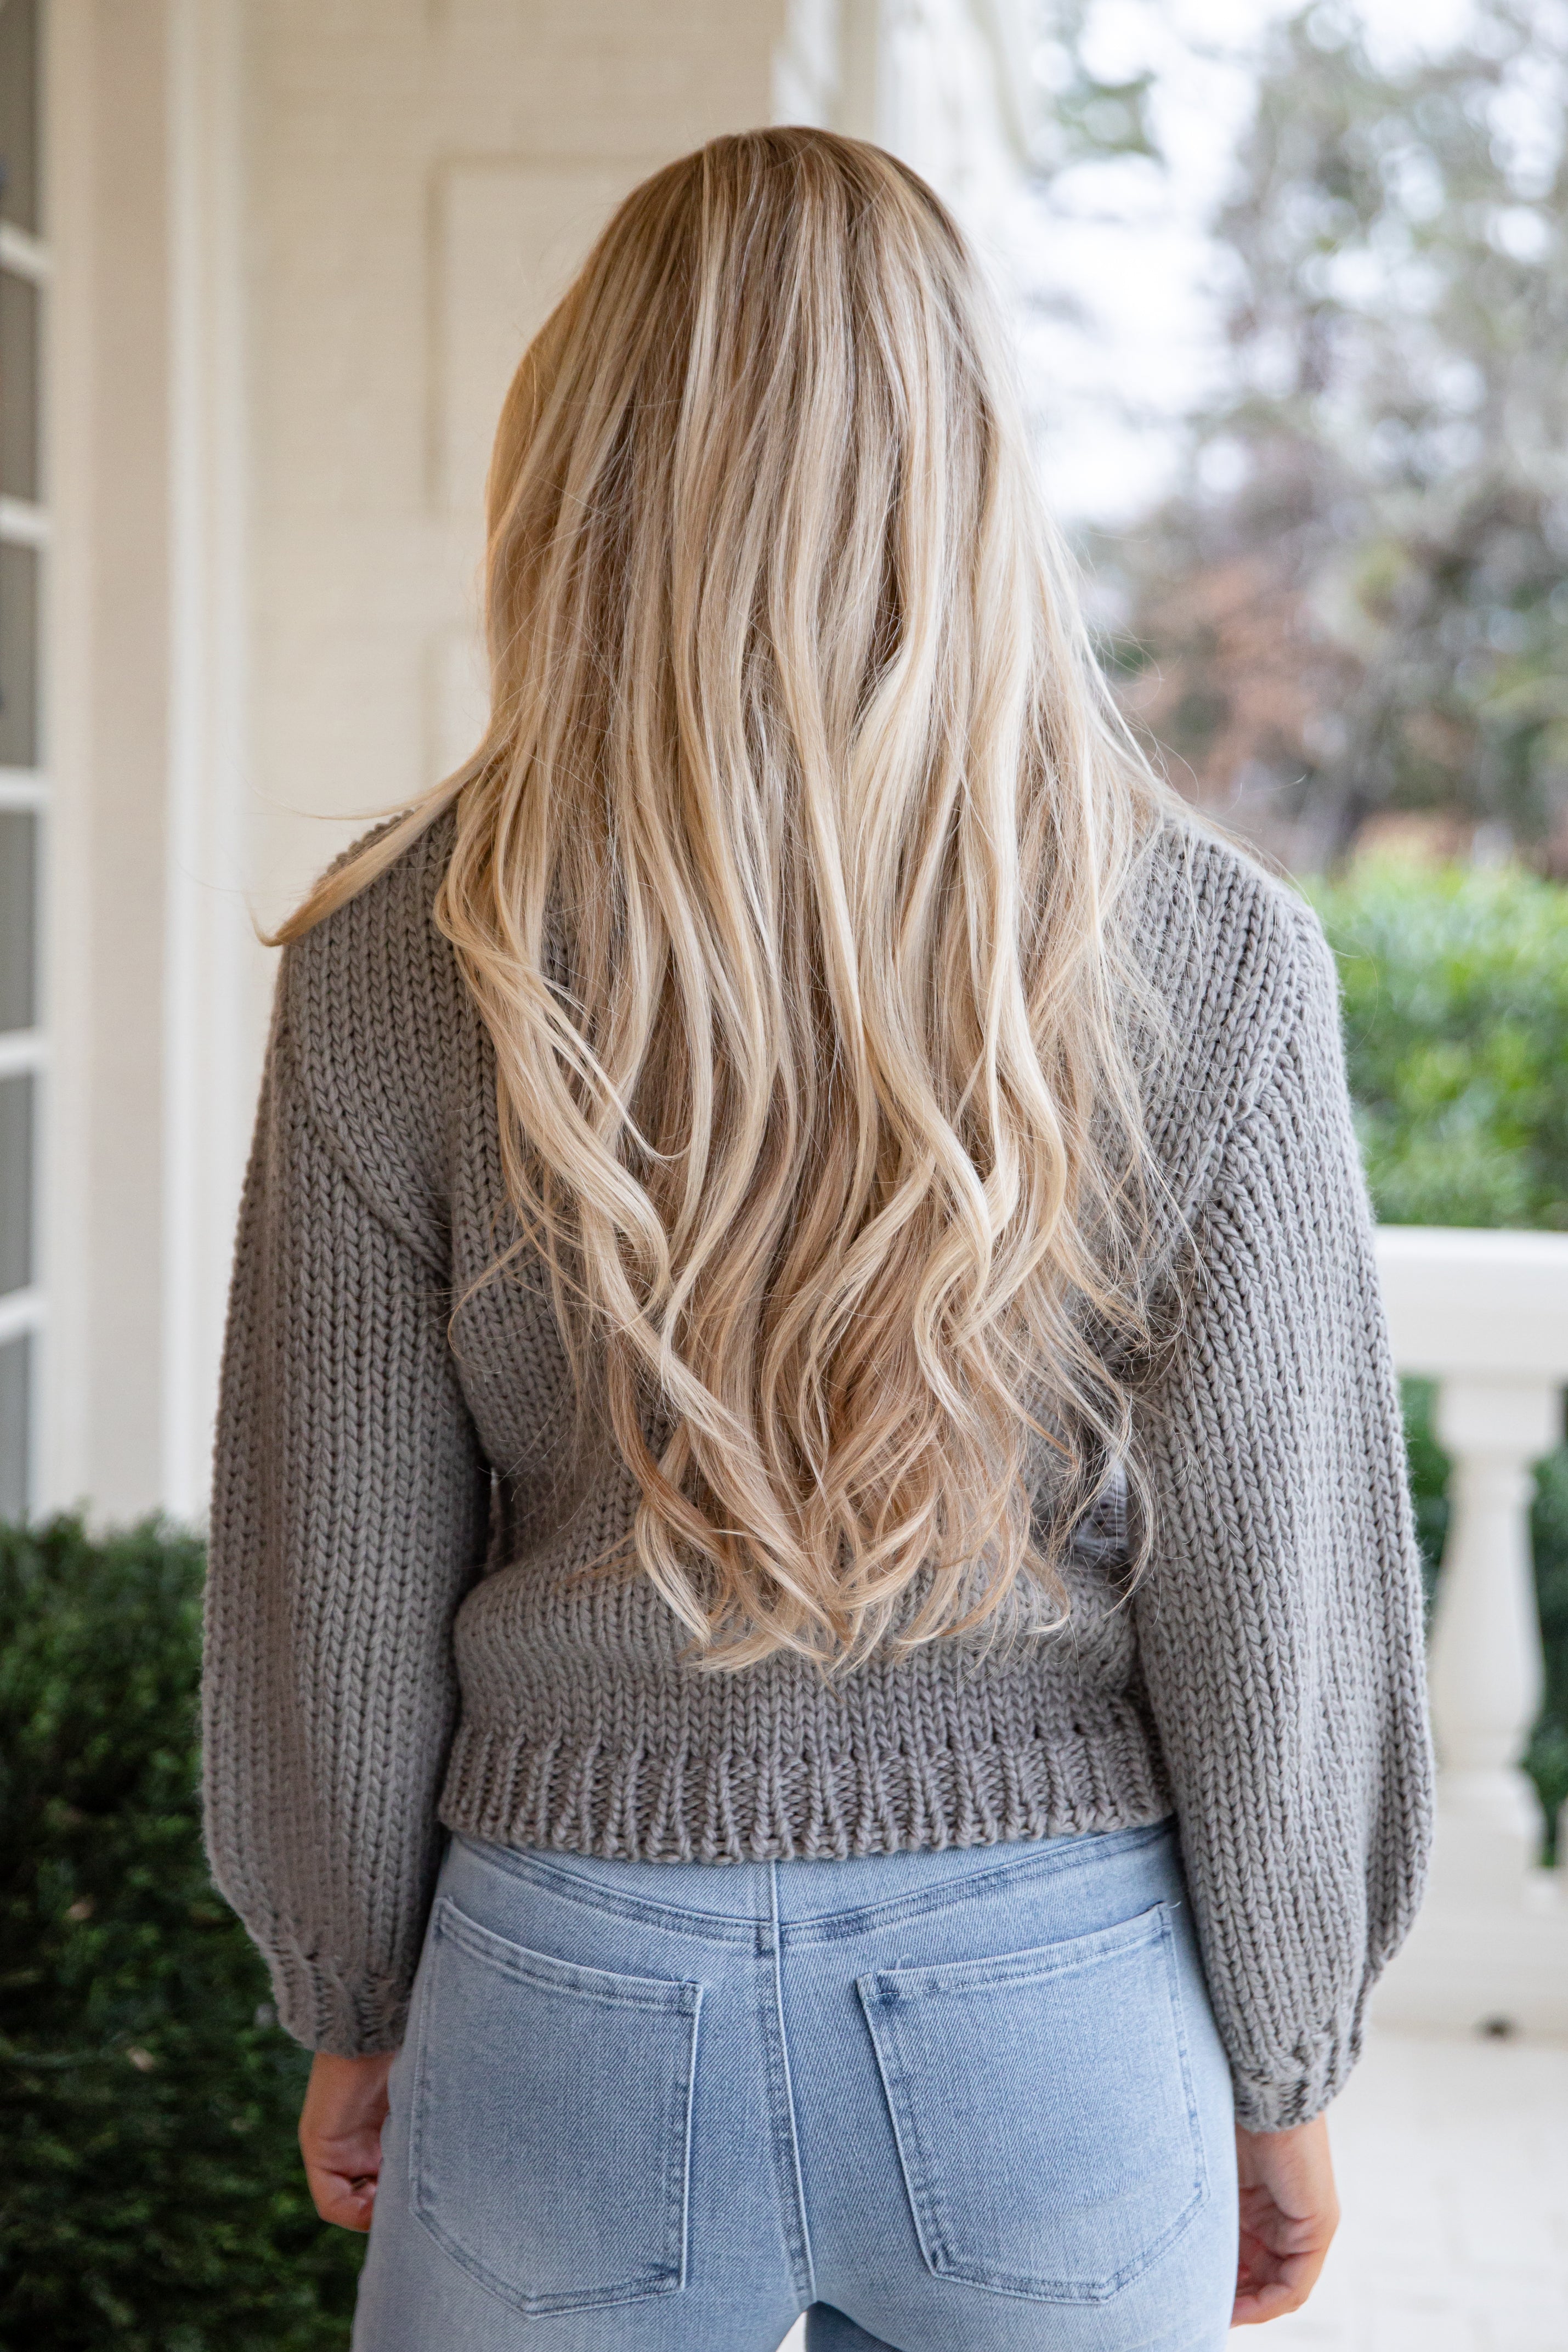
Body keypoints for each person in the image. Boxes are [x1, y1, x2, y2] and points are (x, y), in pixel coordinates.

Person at [202, 127, 1433, 2352]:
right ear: (970, 468)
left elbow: (332, 1571)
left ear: (581, 459)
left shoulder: (400, 950)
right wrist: (1282, 2061)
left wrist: (353, 1989)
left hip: (564, 1980)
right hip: (1054, 1993)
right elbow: (1279, 1587)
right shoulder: (1207, 946)